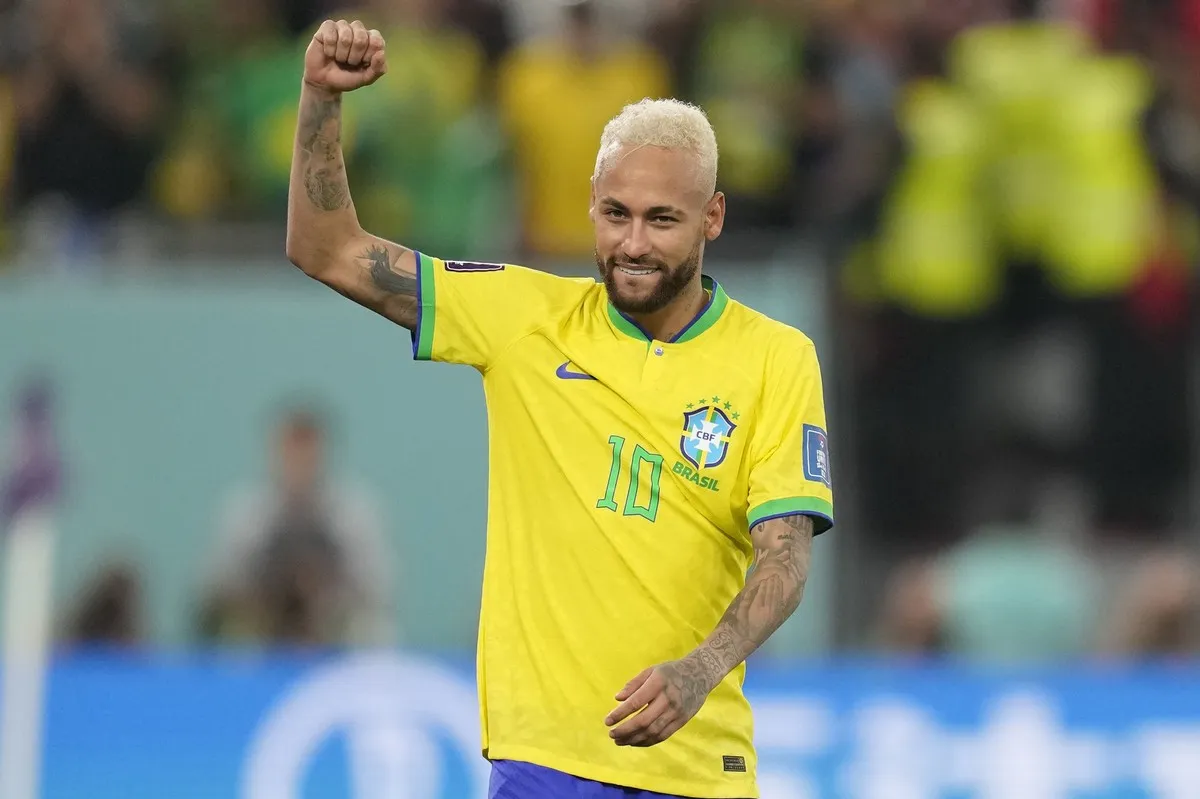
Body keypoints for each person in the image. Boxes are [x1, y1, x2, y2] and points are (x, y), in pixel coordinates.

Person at [285, 19, 834, 799]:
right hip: (543, 761)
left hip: (694, 768)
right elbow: (328, 248)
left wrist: (699, 669)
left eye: (662, 219)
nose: (633, 243)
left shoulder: (775, 356)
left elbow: (785, 556)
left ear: (712, 217)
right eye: (615, 213)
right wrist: (321, 99)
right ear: (591, 205)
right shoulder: (523, 317)